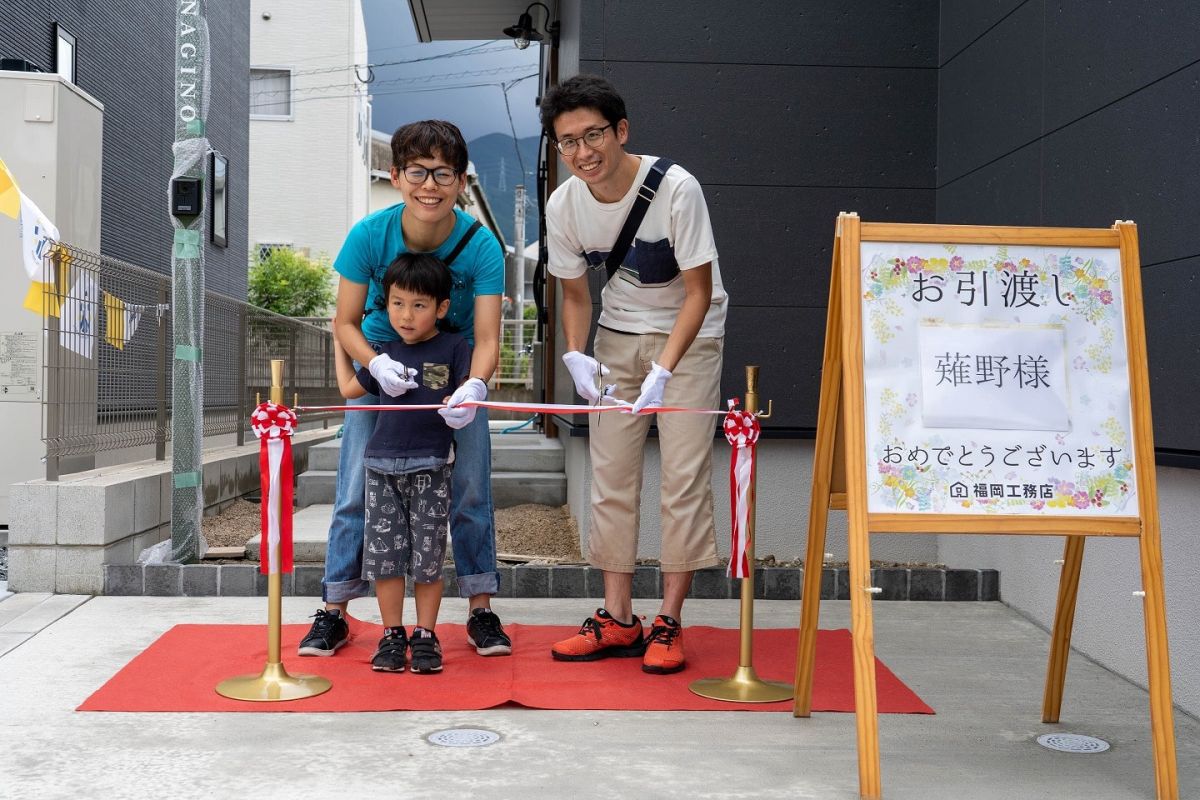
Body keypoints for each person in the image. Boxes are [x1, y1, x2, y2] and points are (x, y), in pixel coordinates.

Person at [298, 120, 512, 659]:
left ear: (461, 180)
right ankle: (334, 611)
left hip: (454, 372)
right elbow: (344, 321)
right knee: (353, 489)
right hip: (382, 367)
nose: (429, 185)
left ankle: (481, 611)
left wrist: (475, 387)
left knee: (470, 488)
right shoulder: (369, 235)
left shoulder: (482, 245)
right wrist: (375, 365)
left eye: (443, 173)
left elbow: (488, 336)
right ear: (395, 176)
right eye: (417, 171)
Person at [541, 75, 729, 674]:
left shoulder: (677, 188)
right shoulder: (563, 203)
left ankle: (669, 620)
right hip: (616, 338)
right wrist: (577, 353)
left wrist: (666, 369)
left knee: (682, 479)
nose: (581, 153)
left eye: (592, 135)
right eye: (566, 142)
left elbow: (699, 292)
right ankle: (619, 618)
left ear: (621, 131)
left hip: (691, 339)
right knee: (611, 476)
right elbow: (575, 294)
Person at [331, 253, 470, 673]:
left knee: (428, 557)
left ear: (441, 308)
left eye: (419, 305)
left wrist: (460, 399)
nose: (406, 315)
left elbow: (470, 389)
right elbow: (348, 388)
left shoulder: (454, 347)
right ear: (386, 303)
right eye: (397, 303)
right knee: (385, 558)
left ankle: (426, 634)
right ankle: (392, 634)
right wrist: (344, 345)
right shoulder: (384, 353)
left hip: (432, 466)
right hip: (380, 469)